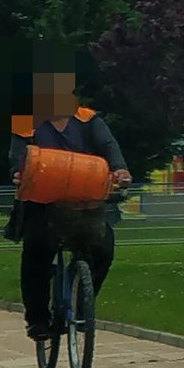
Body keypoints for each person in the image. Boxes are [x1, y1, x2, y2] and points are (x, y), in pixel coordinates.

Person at [9, 68, 131, 341]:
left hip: (85, 204)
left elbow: (109, 148)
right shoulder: (26, 123)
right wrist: (18, 172)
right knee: (37, 251)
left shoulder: (89, 121)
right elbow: (17, 158)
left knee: (103, 249)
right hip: (43, 204)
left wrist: (120, 170)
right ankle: (38, 319)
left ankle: (81, 305)